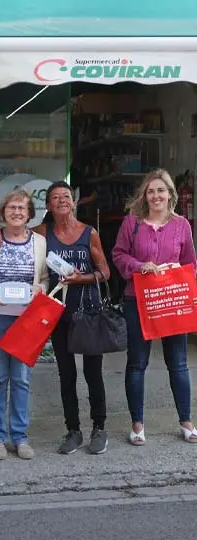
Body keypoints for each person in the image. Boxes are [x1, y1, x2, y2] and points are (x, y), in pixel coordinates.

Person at [0, 182, 112, 455]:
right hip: (55, 313)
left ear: (74, 202)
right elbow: (13, 232)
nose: (62, 200)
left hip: (87, 311)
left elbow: (105, 273)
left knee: (93, 373)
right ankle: (73, 430)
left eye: (66, 196)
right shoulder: (42, 233)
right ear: (48, 207)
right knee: (66, 374)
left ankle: (99, 427)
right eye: (55, 198)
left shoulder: (89, 233)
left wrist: (82, 278)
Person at [112, 169, 197, 446]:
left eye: (161, 190)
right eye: (151, 191)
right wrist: (139, 266)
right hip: (138, 299)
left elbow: (190, 264)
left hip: (172, 300)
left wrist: (180, 274)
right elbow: (118, 254)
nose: (156, 195)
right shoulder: (131, 223)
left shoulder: (182, 225)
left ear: (170, 194)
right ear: (144, 196)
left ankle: (186, 420)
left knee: (179, 363)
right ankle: (137, 424)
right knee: (137, 363)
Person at [0, 188, 48, 461]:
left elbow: (44, 278)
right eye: (12, 208)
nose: (17, 212)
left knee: (21, 379)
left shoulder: (39, 242)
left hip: (27, 319)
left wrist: (39, 290)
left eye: (22, 208)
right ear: (3, 213)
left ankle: (19, 437)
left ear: (29, 214)